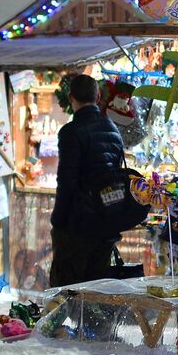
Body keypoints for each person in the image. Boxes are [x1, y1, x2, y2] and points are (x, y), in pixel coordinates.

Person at [50, 74, 125, 286]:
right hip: (107, 222)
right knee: (97, 288)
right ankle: (96, 321)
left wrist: (58, 221)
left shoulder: (71, 132)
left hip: (79, 224)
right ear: (99, 96)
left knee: (67, 290)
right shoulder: (113, 129)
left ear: (71, 97)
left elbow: (67, 180)